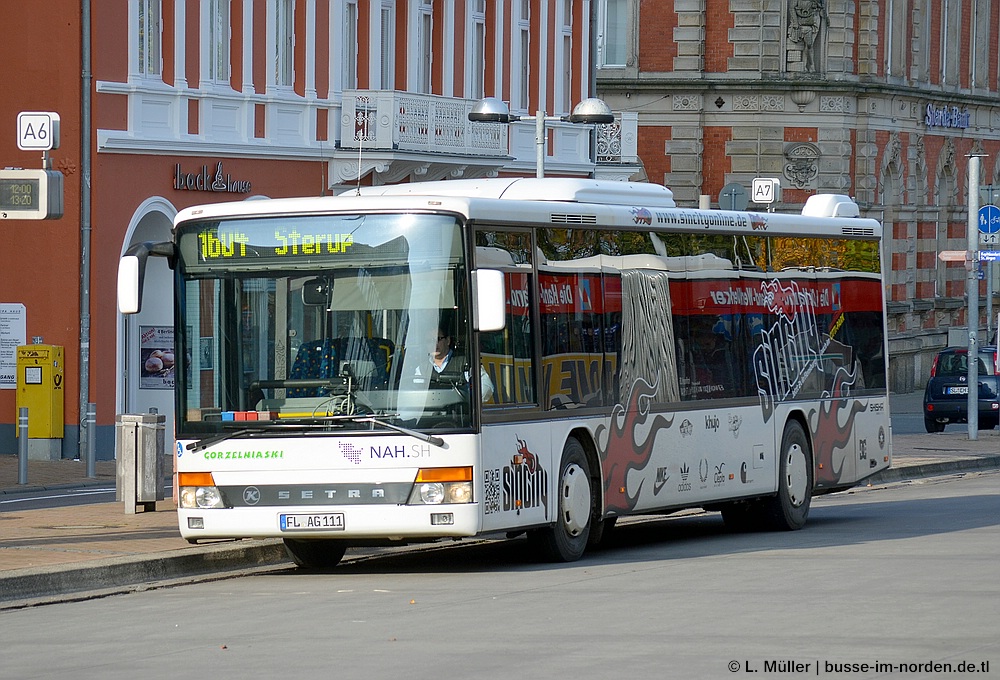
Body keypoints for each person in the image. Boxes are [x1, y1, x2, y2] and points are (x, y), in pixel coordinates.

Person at [418, 325, 495, 402]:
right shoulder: (421, 368)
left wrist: (468, 402)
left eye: (437, 339)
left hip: (459, 412)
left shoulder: (465, 362)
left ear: (448, 340)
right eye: (429, 341)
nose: (434, 344)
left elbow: (486, 386)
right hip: (428, 412)